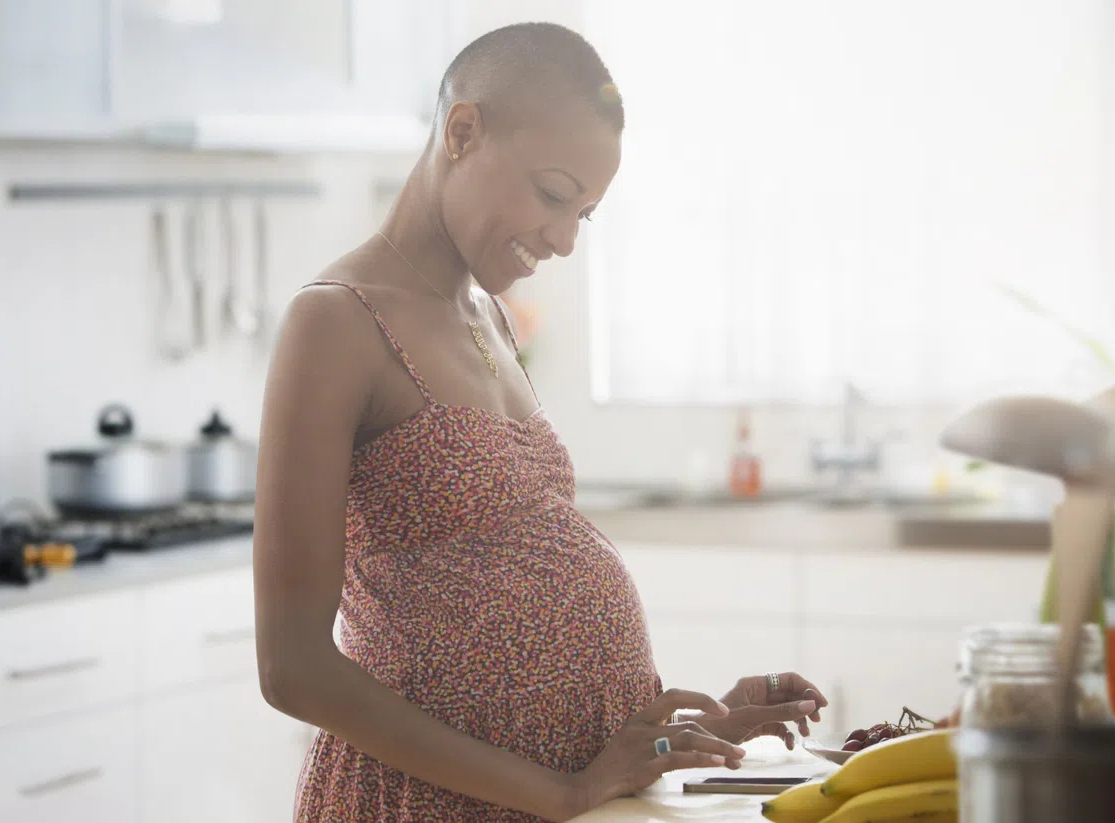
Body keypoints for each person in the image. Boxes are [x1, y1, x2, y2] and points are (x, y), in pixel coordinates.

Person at [252, 21, 828, 823]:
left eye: (584, 214)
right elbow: (292, 667)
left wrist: (680, 727)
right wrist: (564, 790)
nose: (562, 239)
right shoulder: (336, 322)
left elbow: (509, 602)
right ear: (462, 131)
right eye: (554, 195)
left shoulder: (490, 315)